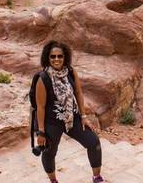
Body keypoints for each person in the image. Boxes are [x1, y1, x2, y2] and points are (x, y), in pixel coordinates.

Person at [35, 41, 104, 183]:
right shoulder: (43, 78)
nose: (56, 59)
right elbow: (40, 107)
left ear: (64, 57)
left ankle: (96, 177)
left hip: (72, 117)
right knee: (49, 152)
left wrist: (83, 116)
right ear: (47, 58)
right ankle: (53, 180)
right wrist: (41, 132)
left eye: (59, 56)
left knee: (93, 142)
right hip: (52, 122)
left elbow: (78, 92)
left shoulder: (71, 72)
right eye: (52, 56)